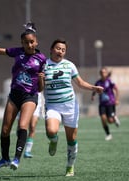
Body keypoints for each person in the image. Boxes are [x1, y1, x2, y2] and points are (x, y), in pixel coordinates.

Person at [0, 23, 46, 171]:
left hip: (30, 96)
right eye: (26, 42)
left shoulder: (41, 59)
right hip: (14, 95)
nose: (29, 44)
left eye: (32, 41)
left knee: (22, 125)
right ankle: (4, 159)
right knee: (5, 130)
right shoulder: (17, 52)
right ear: (22, 43)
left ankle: (16, 158)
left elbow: (41, 88)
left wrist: (41, 78)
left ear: (36, 42)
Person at [42, 38, 104, 177]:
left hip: (70, 106)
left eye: (63, 50)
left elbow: (80, 83)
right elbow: (39, 86)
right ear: (51, 49)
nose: (60, 52)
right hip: (52, 105)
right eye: (58, 48)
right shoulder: (43, 65)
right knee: (51, 130)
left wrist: (94, 88)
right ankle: (53, 140)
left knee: (71, 139)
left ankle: (70, 166)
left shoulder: (69, 65)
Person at [91, 67, 120, 141]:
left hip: (110, 103)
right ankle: (108, 134)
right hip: (102, 104)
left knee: (110, 121)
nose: (102, 73)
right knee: (103, 119)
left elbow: (116, 89)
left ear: (106, 73)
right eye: (101, 72)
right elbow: (95, 89)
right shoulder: (98, 82)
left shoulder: (110, 81)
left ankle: (114, 118)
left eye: (104, 72)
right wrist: (93, 96)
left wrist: (117, 99)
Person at [23, 92, 43, 158]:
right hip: (24, 96)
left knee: (32, 126)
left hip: (36, 97)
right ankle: (20, 146)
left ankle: (27, 151)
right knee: (22, 127)